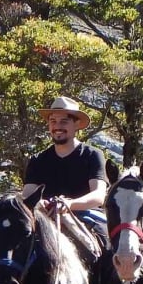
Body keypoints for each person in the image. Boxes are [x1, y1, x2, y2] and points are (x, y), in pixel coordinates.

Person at [22, 96, 109, 256]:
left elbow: (98, 196)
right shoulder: (38, 160)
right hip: (45, 218)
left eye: (64, 121)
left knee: (107, 250)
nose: (57, 126)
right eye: (53, 121)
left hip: (85, 217)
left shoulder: (93, 155)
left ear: (76, 125)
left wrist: (70, 204)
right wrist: (41, 204)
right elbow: (27, 195)